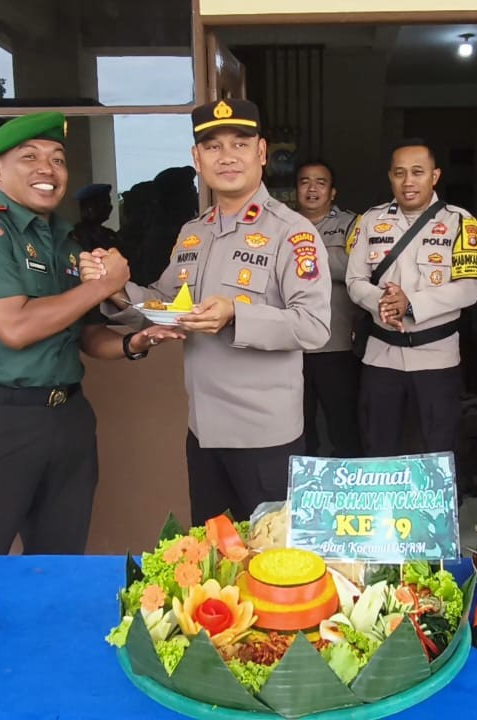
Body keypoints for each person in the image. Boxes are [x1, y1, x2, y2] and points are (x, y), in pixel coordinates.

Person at [0, 112, 181, 580]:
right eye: (29, 157)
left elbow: (83, 334)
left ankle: (39, 629)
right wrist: (104, 284)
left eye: (58, 159)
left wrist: (134, 342)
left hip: (67, 416)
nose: (47, 168)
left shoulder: (64, 242)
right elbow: (15, 327)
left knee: (59, 555)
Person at [90, 98, 331, 523]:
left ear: (261, 152)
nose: (227, 156)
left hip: (265, 437)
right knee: (210, 551)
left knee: (270, 554)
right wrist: (112, 287)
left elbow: (313, 326)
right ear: (197, 158)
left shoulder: (292, 232)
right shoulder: (193, 233)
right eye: (213, 146)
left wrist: (236, 314)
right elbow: (164, 303)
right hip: (203, 431)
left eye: (240, 143)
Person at [344, 139, 477, 459]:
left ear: (435, 176)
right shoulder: (370, 220)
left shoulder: (460, 222)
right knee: (378, 449)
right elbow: (354, 281)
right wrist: (384, 301)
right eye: (400, 173)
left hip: (436, 358)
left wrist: (411, 305)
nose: (408, 181)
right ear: (390, 177)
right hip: (382, 356)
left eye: (417, 172)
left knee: (438, 451)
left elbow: (469, 288)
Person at [295, 160, 361, 457]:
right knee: (298, 427)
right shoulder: (282, 224)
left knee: (343, 426)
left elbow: (356, 269)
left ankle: (348, 482)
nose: (312, 189)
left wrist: (304, 258)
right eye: (305, 182)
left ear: (332, 192)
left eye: (320, 182)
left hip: (336, 345)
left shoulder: (351, 224)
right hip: (292, 346)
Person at [70, 183, 126, 255]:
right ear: (89, 208)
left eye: (109, 202)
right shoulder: (77, 235)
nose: (110, 207)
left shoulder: (109, 234)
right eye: (104, 203)